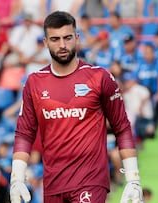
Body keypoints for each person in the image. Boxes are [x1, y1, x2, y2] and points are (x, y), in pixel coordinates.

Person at [10, 11, 143, 203]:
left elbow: (122, 127)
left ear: (77, 38)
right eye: (55, 39)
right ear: (46, 42)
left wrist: (133, 179)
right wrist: (17, 177)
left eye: (67, 38)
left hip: (90, 181)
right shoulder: (34, 82)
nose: (62, 45)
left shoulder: (99, 78)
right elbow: (24, 133)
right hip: (53, 184)